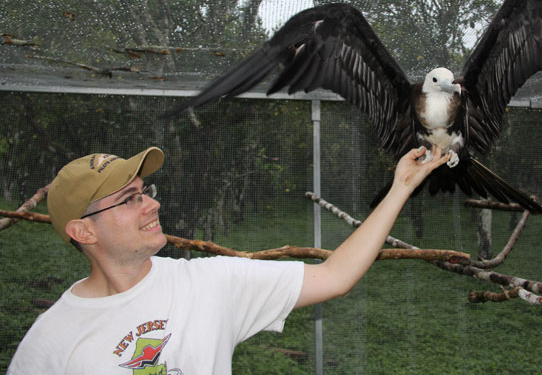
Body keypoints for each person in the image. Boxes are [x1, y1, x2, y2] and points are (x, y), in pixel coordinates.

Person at [8, 144, 449, 374]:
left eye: (146, 193)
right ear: (83, 231)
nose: (151, 206)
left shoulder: (209, 283)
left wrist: (400, 188)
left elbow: (335, 275)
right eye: (128, 200)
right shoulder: (50, 342)